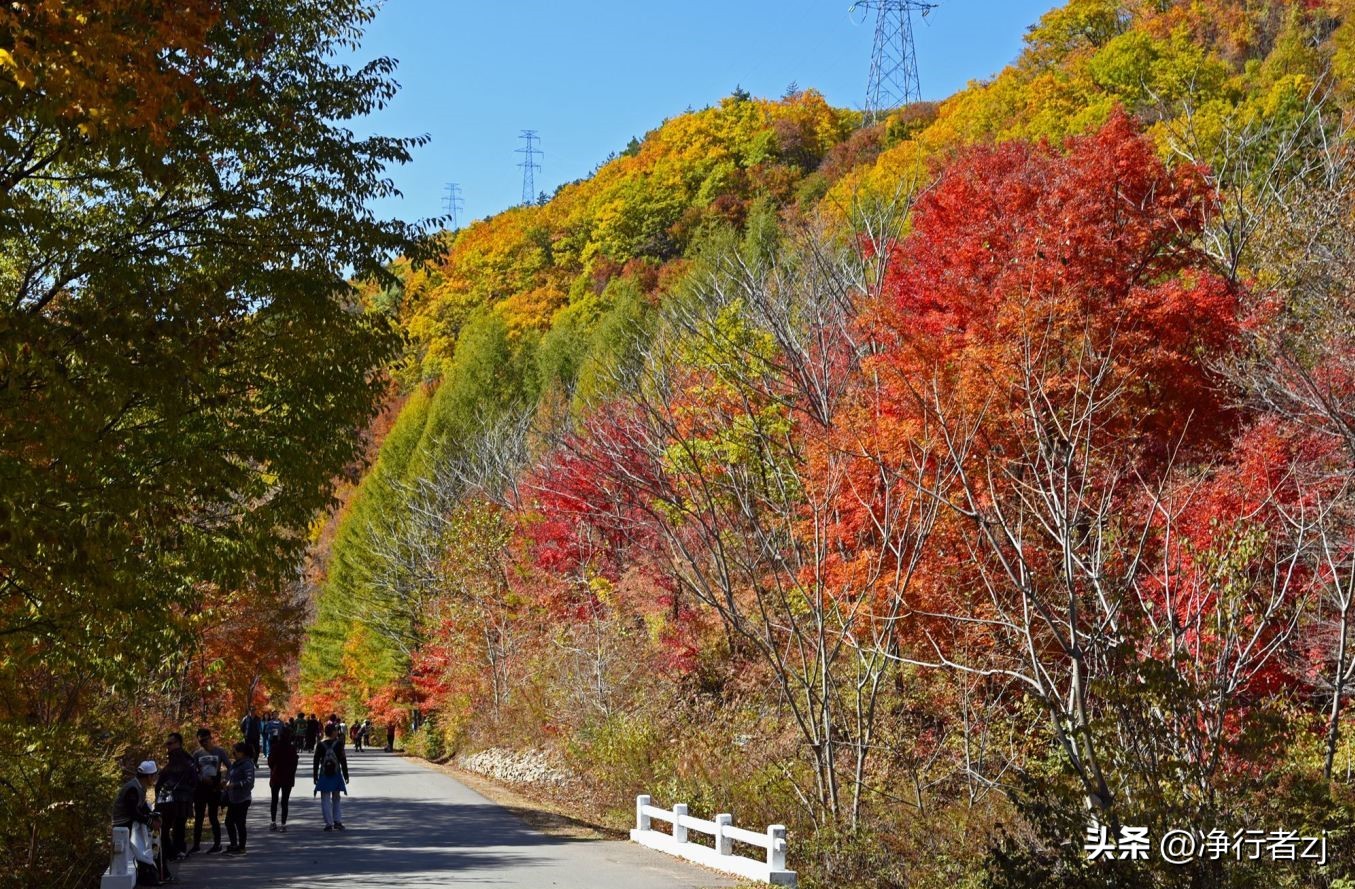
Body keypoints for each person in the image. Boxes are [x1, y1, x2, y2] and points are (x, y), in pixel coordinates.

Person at [113, 760, 165, 886]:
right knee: (137, 851)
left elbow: (141, 806)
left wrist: (153, 816)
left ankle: (148, 877)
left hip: (130, 823)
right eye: (154, 775)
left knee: (142, 849)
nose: (155, 778)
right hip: (123, 825)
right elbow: (133, 812)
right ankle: (147, 878)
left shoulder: (140, 786)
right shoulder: (133, 788)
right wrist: (150, 822)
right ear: (149, 776)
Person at [155, 733, 199, 861]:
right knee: (177, 826)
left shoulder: (180, 760)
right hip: (179, 799)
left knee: (169, 827)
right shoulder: (187, 760)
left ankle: (173, 852)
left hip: (175, 799)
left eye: (170, 743)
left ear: (178, 743)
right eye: (166, 743)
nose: (167, 746)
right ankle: (177, 851)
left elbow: (193, 780)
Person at [190, 728, 230, 854]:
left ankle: (217, 844)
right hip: (201, 788)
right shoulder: (197, 754)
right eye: (201, 741)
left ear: (210, 738)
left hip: (214, 786)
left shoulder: (219, 751)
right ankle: (196, 845)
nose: (203, 743)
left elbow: (230, 766)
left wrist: (225, 780)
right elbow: (192, 772)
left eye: (205, 740)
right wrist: (201, 777)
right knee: (199, 817)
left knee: (213, 816)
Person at [312, 722, 349, 831]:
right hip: (336, 773)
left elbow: (316, 761)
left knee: (325, 798)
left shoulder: (320, 744)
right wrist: (346, 774)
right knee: (336, 798)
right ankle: (337, 821)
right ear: (333, 732)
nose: (337, 732)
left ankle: (328, 823)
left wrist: (315, 775)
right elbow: (343, 760)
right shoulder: (339, 744)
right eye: (336, 730)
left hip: (324, 773)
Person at [223, 742, 255, 854]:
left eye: (235, 751)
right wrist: (226, 782)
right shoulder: (235, 764)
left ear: (242, 753)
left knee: (240, 823)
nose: (233, 753)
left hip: (243, 799)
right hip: (233, 798)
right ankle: (233, 844)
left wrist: (234, 785)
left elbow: (249, 781)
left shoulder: (247, 764)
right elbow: (229, 776)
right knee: (229, 822)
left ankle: (242, 847)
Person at [268, 726, 299, 832]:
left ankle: (273, 822)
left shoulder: (274, 747)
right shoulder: (292, 749)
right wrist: (292, 773)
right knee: (285, 801)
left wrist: (274, 769)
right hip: (288, 777)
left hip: (276, 775)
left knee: (274, 800)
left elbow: (270, 762)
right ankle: (283, 824)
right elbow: (295, 763)